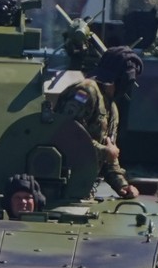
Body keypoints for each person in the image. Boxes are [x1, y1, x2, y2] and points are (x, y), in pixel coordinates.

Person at [55, 45, 141, 197]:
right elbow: (65, 133)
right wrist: (104, 151)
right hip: (59, 182)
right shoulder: (86, 91)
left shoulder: (112, 107)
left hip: (82, 186)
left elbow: (110, 154)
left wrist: (121, 184)